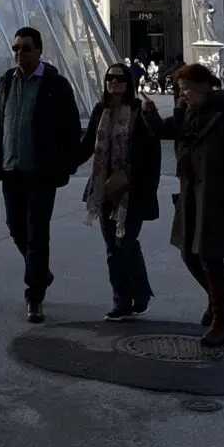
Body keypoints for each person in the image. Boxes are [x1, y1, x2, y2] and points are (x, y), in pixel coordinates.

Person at [0, 26, 82, 323]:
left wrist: (66, 163)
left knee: (37, 233)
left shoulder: (56, 84)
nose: (19, 53)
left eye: (26, 48)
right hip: (11, 169)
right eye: (16, 48)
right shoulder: (6, 81)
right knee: (16, 228)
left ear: (39, 50)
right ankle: (40, 272)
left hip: (41, 171)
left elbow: (71, 128)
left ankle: (34, 295)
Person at [147, 63, 224, 349]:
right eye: (180, 90)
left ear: (202, 89)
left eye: (186, 90)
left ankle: (222, 323)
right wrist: (150, 112)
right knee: (188, 253)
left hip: (215, 195)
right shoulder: (188, 113)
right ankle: (215, 303)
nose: (182, 95)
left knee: (210, 256)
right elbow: (164, 131)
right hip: (191, 192)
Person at [77, 63, 162, 320]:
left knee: (126, 242)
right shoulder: (100, 110)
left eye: (119, 78)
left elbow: (152, 153)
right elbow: (87, 145)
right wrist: (64, 163)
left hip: (132, 189)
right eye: (109, 78)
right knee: (113, 248)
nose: (114, 82)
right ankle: (121, 301)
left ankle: (141, 294)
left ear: (129, 83)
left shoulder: (139, 111)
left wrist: (146, 187)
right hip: (104, 188)